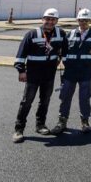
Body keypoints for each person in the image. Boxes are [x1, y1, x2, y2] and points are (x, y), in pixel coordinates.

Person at [12, 8, 67, 143]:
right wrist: (21, 71)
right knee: (27, 101)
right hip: (33, 74)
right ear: (42, 19)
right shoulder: (32, 34)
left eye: (53, 19)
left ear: (57, 21)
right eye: (47, 19)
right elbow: (21, 54)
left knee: (45, 101)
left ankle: (40, 125)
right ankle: (19, 129)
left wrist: (61, 58)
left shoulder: (61, 33)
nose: (50, 21)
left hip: (49, 74)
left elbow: (65, 50)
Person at [51, 8, 91, 134]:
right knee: (65, 97)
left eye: (86, 20)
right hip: (70, 72)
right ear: (77, 20)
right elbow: (64, 52)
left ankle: (85, 121)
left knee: (85, 98)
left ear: (89, 21)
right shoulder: (70, 34)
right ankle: (62, 120)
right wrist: (68, 64)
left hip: (85, 72)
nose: (83, 22)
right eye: (81, 20)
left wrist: (89, 63)